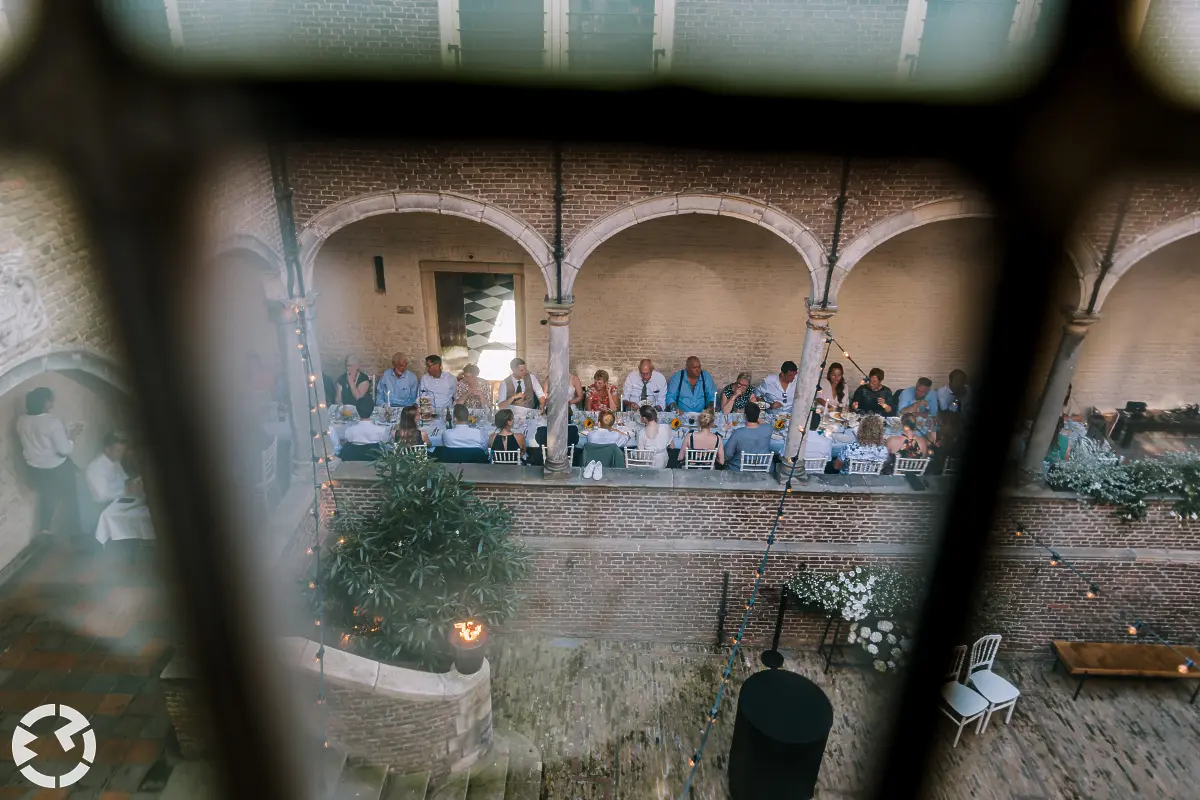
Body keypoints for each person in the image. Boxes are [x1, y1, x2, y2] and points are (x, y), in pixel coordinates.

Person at [16, 387, 83, 536]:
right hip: (55, 468)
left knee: (47, 497)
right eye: (51, 399)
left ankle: (45, 530)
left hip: (34, 468)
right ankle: (76, 528)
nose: (53, 402)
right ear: (46, 402)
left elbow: (39, 440)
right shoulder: (52, 422)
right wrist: (72, 436)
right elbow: (64, 450)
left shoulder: (21, 420)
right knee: (71, 494)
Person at [86, 431, 138, 504]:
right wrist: (127, 490)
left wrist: (134, 483)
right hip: (104, 508)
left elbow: (124, 480)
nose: (122, 454)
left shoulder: (115, 462)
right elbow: (101, 496)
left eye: (123, 450)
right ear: (107, 449)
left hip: (120, 501)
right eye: (118, 451)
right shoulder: (96, 467)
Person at [724, 403, 773, 471]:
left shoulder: (738, 433)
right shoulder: (768, 428)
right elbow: (764, 423)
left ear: (745, 416)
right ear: (758, 415)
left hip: (738, 468)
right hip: (763, 468)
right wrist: (755, 415)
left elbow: (727, 454)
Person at [335, 355, 375, 420]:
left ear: (357, 366)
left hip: (362, 413)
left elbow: (358, 397)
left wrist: (351, 381)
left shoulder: (363, 378)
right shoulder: (341, 379)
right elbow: (338, 400)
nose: (348, 368)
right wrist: (344, 411)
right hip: (346, 414)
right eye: (347, 365)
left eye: (351, 365)